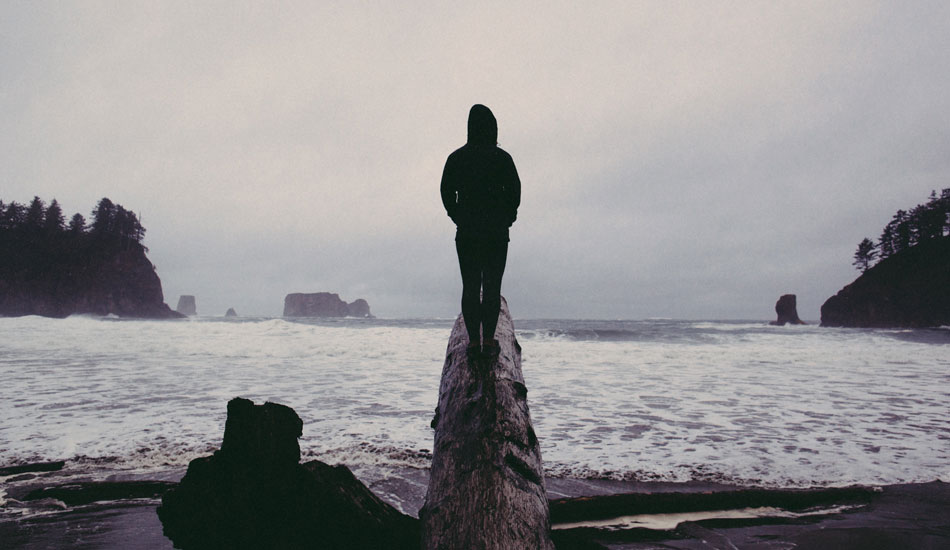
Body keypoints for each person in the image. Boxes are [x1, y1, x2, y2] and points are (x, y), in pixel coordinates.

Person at [440, 104, 521, 355]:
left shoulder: (457, 158)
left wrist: (457, 216)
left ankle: (474, 342)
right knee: (493, 286)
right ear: (493, 128)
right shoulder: (503, 158)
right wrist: (508, 217)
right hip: (496, 232)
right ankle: (488, 341)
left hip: (467, 232)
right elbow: (515, 193)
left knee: (471, 286)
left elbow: (446, 192)